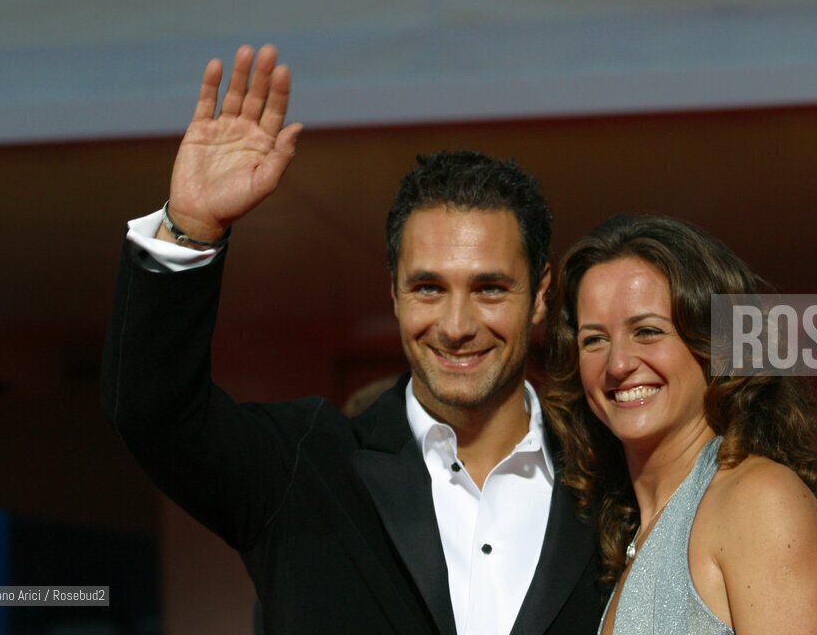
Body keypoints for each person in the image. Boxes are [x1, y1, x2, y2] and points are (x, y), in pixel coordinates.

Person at [101, 45, 602, 634]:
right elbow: (151, 411)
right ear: (393, 292)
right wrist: (190, 229)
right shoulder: (304, 470)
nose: (456, 325)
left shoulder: (613, 479)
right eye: (428, 288)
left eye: (489, 288)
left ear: (540, 295)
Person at [541, 214, 817, 634]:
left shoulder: (758, 501)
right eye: (594, 339)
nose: (618, 364)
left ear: (715, 344)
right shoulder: (627, 534)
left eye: (647, 331)